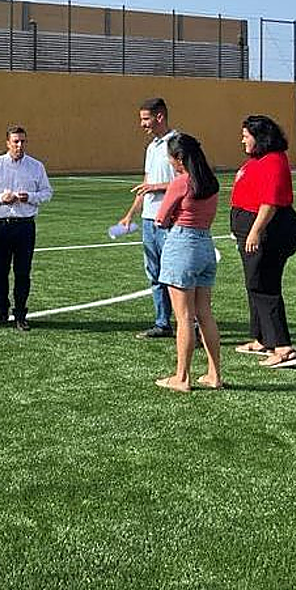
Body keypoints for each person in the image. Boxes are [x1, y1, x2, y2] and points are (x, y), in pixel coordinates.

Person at [230, 115, 296, 368]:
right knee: (254, 284)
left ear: (260, 137)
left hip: (270, 231)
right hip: (252, 228)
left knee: (264, 285)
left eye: (246, 136)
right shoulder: (259, 160)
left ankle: (284, 348)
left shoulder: (274, 162)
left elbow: (270, 202)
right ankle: (262, 339)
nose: (242, 140)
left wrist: (254, 231)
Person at [153, 134, 223, 392]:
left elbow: (161, 218)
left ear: (180, 158)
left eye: (171, 157)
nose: (170, 162)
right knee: (205, 314)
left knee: (184, 317)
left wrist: (169, 218)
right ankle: (215, 374)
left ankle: (182, 377)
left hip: (182, 243)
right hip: (205, 243)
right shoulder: (210, 181)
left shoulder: (182, 182)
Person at [0, 125, 53, 330]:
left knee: (22, 272)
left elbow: (47, 192)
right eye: (16, 142)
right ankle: (1, 311)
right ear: (7, 143)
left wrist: (31, 197)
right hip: (2, 225)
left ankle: (20, 314)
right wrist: (1, 198)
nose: (19, 145)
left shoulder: (36, 166)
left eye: (22, 142)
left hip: (25, 226)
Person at [118, 98, 178, 339]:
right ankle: (163, 323)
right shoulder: (152, 147)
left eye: (145, 119)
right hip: (148, 220)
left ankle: (192, 326)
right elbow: (146, 184)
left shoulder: (177, 143)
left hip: (170, 220)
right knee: (154, 274)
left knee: (176, 275)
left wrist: (157, 187)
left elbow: (187, 181)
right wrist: (130, 214)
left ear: (159, 117)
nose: (141, 124)